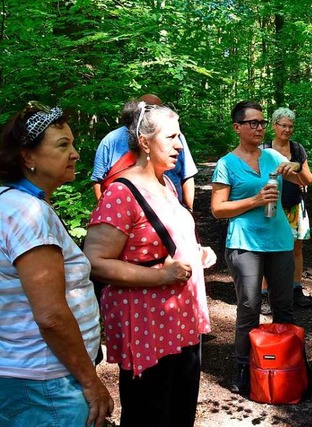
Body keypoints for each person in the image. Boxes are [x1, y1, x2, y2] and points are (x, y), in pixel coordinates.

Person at [83, 102, 216, 426]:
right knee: (150, 414)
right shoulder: (120, 193)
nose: (179, 145)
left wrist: (196, 252)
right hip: (147, 328)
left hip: (182, 323)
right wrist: (161, 277)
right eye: (171, 137)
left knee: (180, 411)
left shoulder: (167, 184)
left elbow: (162, 241)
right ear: (144, 141)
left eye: (180, 136)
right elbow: (96, 262)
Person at [0, 101, 113, 426]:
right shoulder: (28, 214)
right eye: (63, 145)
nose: (75, 153)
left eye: (73, 143)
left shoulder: (10, 203)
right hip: (46, 382)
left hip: (28, 376)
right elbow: (50, 315)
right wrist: (90, 381)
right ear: (28, 157)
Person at [211, 101, 312, 395]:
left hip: (280, 240)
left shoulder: (271, 155)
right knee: (249, 307)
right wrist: (255, 201)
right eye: (252, 123)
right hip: (245, 243)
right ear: (237, 127)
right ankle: (245, 366)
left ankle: (292, 364)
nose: (258, 127)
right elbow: (218, 209)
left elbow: (306, 180)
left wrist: (297, 167)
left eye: (261, 122)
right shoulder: (226, 163)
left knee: (284, 306)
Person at [91, 94, 198, 209]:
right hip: (124, 211)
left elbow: (187, 175)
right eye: (150, 110)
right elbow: (98, 180)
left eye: (159, 109)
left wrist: (188, 210)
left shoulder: (177, 139)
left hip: (173, 209)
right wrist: (104, 209)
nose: (178, 146)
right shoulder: (112, 140)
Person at [260, 107, 312, 314]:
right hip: (271, 206)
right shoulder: (263, 149)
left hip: (294, 205)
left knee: (296, 249)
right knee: (267, 249)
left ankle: (295, 289)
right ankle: (265, 293)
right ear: (274, 126)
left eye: (291, 126)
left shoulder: (297, 149)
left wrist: (298, 167)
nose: (287, 129)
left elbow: (310, 180)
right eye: (283, 125)